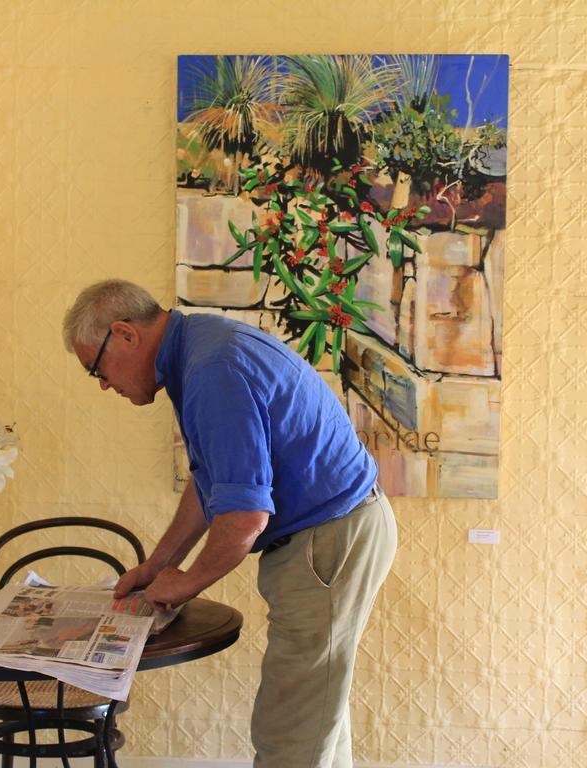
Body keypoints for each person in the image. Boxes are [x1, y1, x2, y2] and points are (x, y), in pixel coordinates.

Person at [62, 279, 396, 768]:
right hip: (337, 530)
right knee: (314, 714)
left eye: (97, 368)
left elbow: (244, 517)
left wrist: (187, 583)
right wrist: (160, 565)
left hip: (330, 537)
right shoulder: (199, 349)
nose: (104, 384)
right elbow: (211, 483)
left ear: (125, 334)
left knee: (290, 729)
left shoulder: (211, 369)